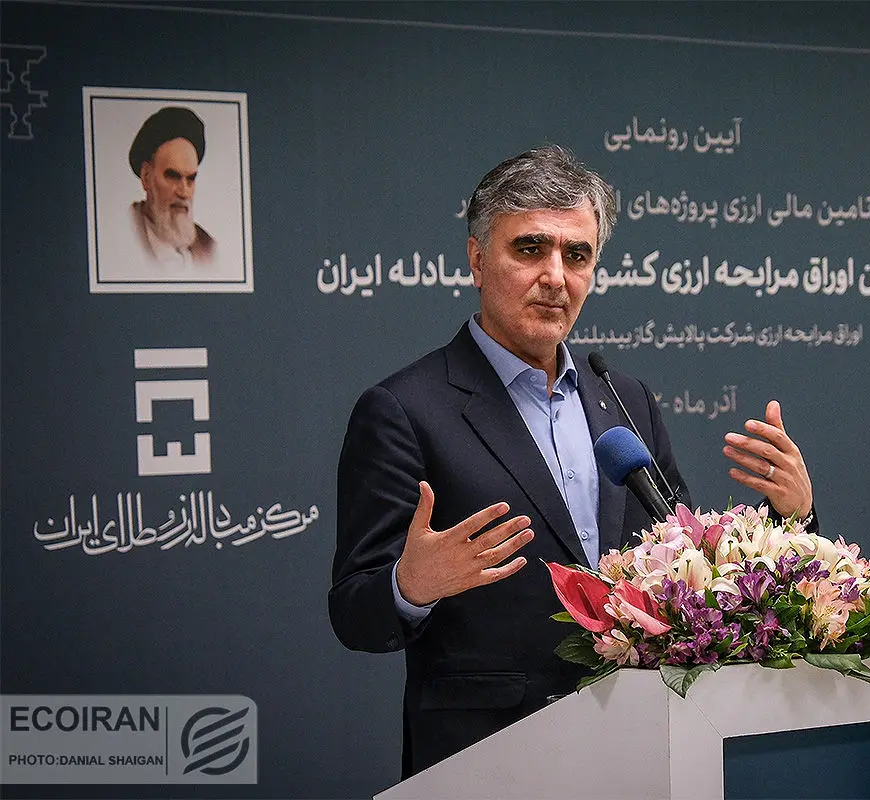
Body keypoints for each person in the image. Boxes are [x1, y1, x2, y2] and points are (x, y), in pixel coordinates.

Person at [329, 145, 816, 777]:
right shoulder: (404, 408)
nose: (556, 276)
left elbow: (688, 567)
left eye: (577, 255)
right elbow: (353, 612)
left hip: (637, 748)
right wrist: (410, 585)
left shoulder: (625, 399)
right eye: (530, 249)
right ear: (477, 259)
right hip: (488, 760)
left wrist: (789, 517)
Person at [127, 106, 215, 266]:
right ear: (146, 177)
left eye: (191, 179)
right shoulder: (123, 238)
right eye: (173, 177)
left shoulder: (208, 247)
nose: (184, 192)